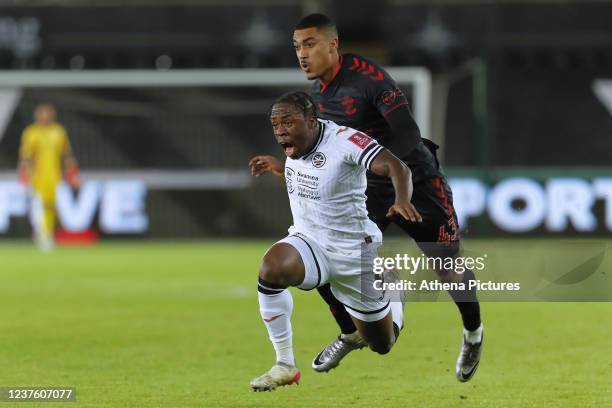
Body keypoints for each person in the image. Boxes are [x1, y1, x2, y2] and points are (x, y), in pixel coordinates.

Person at [249, 13, 483, 382]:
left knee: (447, 263)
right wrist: (287, 166)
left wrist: (380, 162)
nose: (302, 54)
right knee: (322, 241)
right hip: (367, 189)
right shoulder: (317, 96)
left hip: (415, 180)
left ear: (333, 44)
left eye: (309, 44)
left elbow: (407, 132)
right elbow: (319, 151)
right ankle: (350, 330)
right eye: (297, 47)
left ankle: (473, 334)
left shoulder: (368, 80)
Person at [250, 91, 421, 391]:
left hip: (353, 250)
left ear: (312, 121)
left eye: (288, 122)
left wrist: (402, 199)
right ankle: (285, 364)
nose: (280, 130)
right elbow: (310, 177)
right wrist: (279, 168)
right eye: (275, 124)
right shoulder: (296, 149)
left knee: (382, 344)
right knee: (272, 269)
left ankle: (392, 294)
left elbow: (397, 167)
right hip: (309, 239)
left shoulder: (345, 141)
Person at [17, 103, 79, 250]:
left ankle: (46, 233)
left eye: (47, 113)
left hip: (54, 176)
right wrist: (23, 174)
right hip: (36, 176)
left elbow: (66, 155)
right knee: (39, 205)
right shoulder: (31, 132)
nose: (44, 116)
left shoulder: (59, 132)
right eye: (42, 114)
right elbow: (26, 156)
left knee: (51, 206)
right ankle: (42, 233)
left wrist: (72, 173)